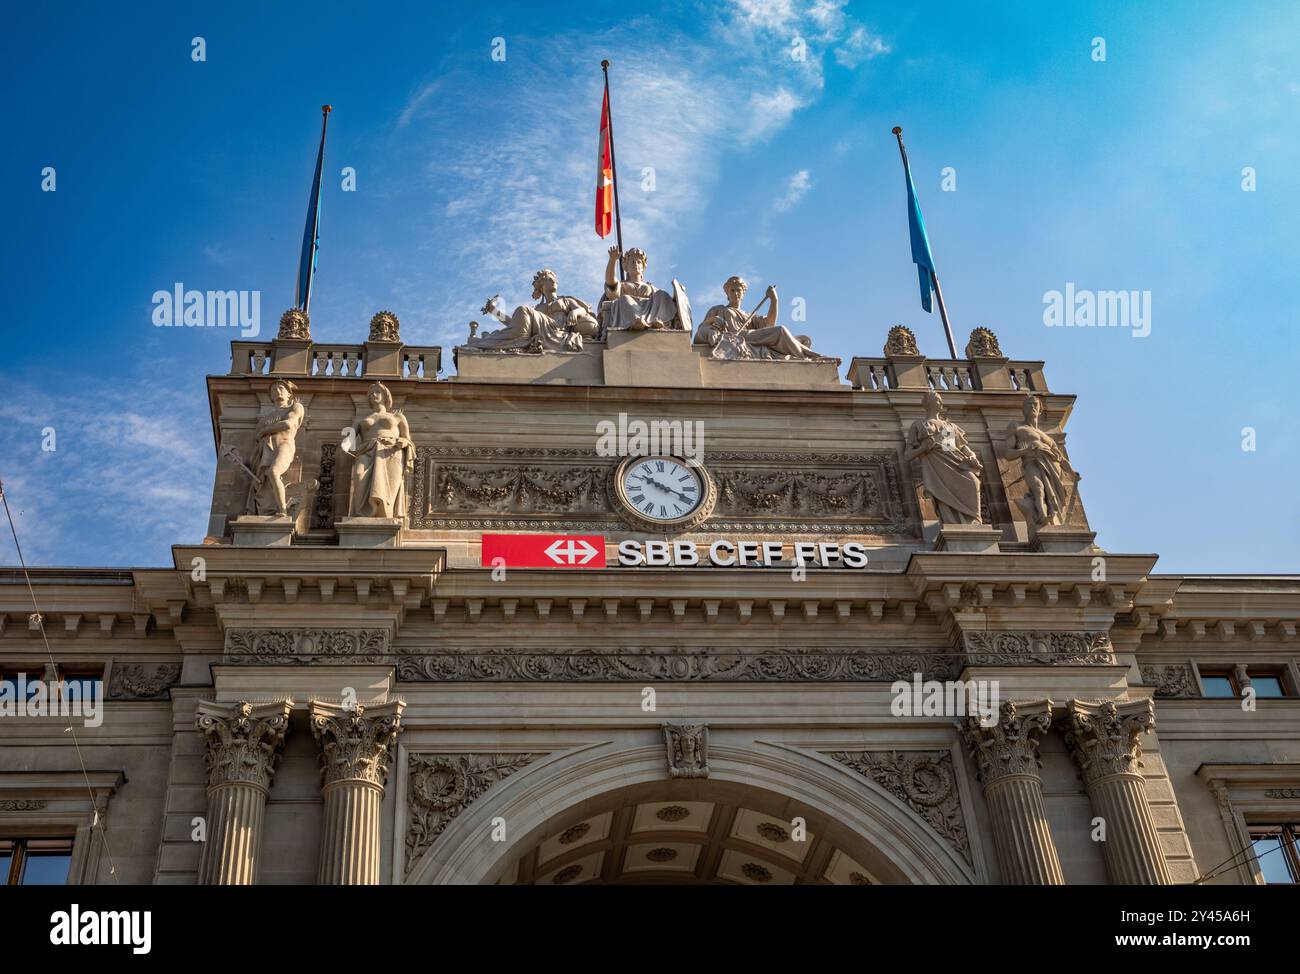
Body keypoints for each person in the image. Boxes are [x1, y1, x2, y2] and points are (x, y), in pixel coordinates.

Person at [693, 276, 832, 361]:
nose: (735, 293)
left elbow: (769, 324)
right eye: (732, 290)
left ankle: (811, 356)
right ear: (727, 293)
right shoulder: (719, 309)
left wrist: (774, 300)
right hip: (736, 337)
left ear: (743, 293)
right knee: (780, 331)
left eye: (738, 290)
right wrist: (712, 321)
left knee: (779, 331)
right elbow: (701, 331)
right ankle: (809, 357)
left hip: (750, 336)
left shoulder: (750, 316)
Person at [464, 269, 596, 352]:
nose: (553, 281)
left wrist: (575, 312)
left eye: (554, 279)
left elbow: (583, 310)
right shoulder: (538, 309)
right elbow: (514, 323)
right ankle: (486, 342)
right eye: (549, 279)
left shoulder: (565, 300)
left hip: (557, 332)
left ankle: (485, 341)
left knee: (523, 310)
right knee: (518, 329)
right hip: (541, 331)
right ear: (542, 286)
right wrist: (494, 312)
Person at [903, 390, 983, 524]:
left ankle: (973, 520)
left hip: (957, 461)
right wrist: (923, 448)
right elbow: (907, 455)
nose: (940, 402)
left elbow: (962, 447)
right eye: (936, 399)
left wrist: (972, 456)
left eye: (940, 399)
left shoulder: (949, 425)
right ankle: (951, 522)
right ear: (928, 403)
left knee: (974, 482)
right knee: (942, 494)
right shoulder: (919, 425)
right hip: (935, 464)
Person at [344, 382, 413, 520]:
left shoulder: (398, 417)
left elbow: (407, 440)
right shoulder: (360, 419)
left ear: (385, 395)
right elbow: (349, 439)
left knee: (389, 490)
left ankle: (385, 516)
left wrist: (398, 442)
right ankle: (362, 515)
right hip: (366, 451)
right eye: (371, 393)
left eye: (377, 392)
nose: (373, 395)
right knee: (358, 475)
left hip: (390, 454)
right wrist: (345, 443)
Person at [1004, 396, 1070, 526]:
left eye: (1035, 404)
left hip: (1052, 466)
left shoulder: (1046, 436)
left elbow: (1061, 458)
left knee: (1052, 495)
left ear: (1040, 409)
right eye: (1029, 404)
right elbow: (1008, 454)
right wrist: (1026, 450)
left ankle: (1053, 518)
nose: (1032, 406)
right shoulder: (1016, 426)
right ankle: (1042, 516)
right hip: (1032, 463)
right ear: (1023, 409)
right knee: (1038, 488)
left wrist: (1072, 473)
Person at [248, 379, 304, 516]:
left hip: (284, 444)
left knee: (274, 472)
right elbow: (257, 437)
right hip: (266, 449)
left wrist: (264, 431)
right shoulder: (266, 418)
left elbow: (288, 424)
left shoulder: (295, 407)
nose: (278, 391)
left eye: (281, 388)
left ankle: (283, 510)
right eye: (274, 389)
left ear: (289, 394)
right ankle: (271, 509)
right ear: (271, 396)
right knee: (266, 479)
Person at [598, 246, 682, 332]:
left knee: (662, 294)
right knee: (625, 299)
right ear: (626, 267)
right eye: (632, 262)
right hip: (629, 309)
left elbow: (664, 300)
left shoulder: (650, 286)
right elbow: (610, 281)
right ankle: (636, 322)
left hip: (650, 309)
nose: (636, 264)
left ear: (643, 266)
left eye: (639, 262)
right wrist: (612, 260)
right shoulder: (622, 285)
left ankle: (655, 321)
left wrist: (676, 297)